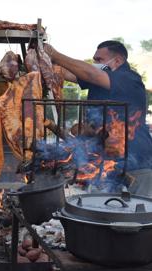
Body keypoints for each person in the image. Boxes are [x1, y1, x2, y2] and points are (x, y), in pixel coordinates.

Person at [44, 40, 152, 197]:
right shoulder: (100, 83)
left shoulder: (128, 78)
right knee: (109, 213)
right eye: (94, 59)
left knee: (140, 214)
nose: (95, 63)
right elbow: (66, 73)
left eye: (99, 60)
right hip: (110, 165)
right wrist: (44, 60)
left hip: (138, 164)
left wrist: (55, 54)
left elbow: (91, 73)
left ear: (118, 61)